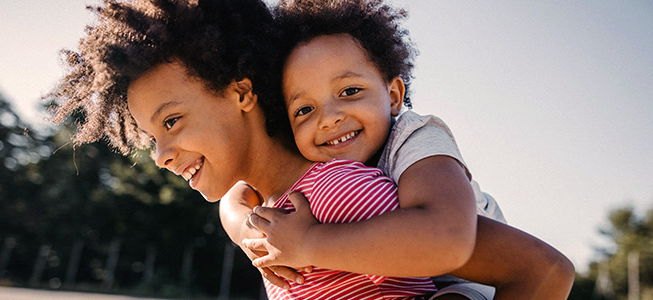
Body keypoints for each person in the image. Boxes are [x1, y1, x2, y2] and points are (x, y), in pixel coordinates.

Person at [47, 0, 574, 299]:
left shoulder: (384, 166)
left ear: (242, 92)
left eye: (173, 121)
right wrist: (249, 225)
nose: (159, 154)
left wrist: (309, 245)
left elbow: (537, 268)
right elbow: (241, 203)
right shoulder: (280, 211)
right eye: (151, 137)